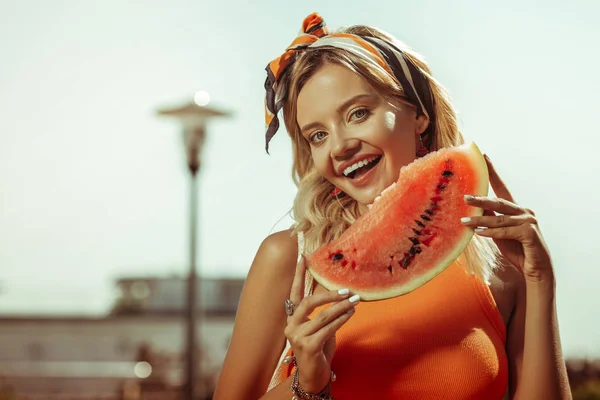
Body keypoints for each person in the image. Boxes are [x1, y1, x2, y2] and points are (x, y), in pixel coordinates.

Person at [214, 12, 572, 400]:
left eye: (358, 114)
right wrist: (308, 385)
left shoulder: (499, 266)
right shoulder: (289, 259)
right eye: (317, 135)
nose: (339, 147)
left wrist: (540, 281)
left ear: (418, 113)